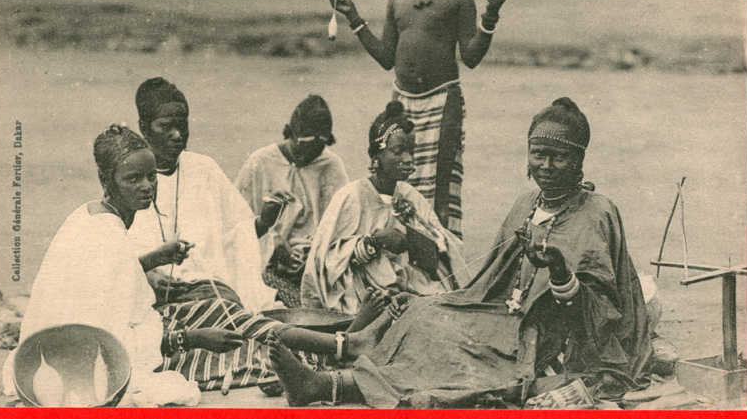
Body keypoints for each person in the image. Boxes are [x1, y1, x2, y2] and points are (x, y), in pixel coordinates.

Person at [269, 98, 653, 409]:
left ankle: (327, 385)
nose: (546, 166)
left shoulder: (596, 212)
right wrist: (450, 303)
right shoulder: (525, 204)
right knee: (424, 309)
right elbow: (486, 285)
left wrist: (558, 271)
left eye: (559, 158)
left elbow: (601, 314)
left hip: (549, 336)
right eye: (539, 154)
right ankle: (354, 348)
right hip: (504, 314)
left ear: (579, 162)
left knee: (461, 356)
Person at [2, 125, 395, 404]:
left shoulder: (94, 216)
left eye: (148, 176)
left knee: (227, 317)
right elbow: (108, 339)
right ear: (106, 179)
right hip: (81, 360)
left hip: (104, 337)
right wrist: (189, 339)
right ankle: (335, 351)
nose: (145, 186)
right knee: (230, 348)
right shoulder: (105, 234)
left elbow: (113, 287)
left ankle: (342, 345)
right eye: (131, 179)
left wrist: (158, 262)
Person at [328, 0, 508, 240]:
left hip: (442, 103)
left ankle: (442, 266)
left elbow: (471, 57)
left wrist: (490, 16)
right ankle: (401, 257)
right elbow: (386, 58)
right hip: (402, 104)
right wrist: (352, 16)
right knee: (398, 182)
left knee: (441, 189)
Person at [301, 101, 470, 315]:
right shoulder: (351, 196)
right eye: (398, 151)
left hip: (409, 285)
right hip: (363, 293)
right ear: (376, 156)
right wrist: (374, 240)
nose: (408, 159)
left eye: (411, 151)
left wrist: (413, 230)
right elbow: (324, 262)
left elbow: (439, 255)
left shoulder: (409, 195)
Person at [127, 77, 277, 311]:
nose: (178, 135)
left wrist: (263, 222)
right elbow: (118, 252)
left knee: (227, 313)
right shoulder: (132, 175)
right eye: (167, 126)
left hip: (209, 288)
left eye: (183, 125)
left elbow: (235, 234)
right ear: (144, 128)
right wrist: (149, 276)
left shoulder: (204, 168)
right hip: (150, 295)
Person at [235, 94, 349, 308]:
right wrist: (272, 240)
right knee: (270, 300)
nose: (305, 158)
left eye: (315, 152)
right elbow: (236, 220)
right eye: (301, 149)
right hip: (270, 260)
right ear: (291, 134)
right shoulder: (260, 162)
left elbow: (342, 221)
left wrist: (316, 250)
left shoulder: (331, 165)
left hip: (315, 261)